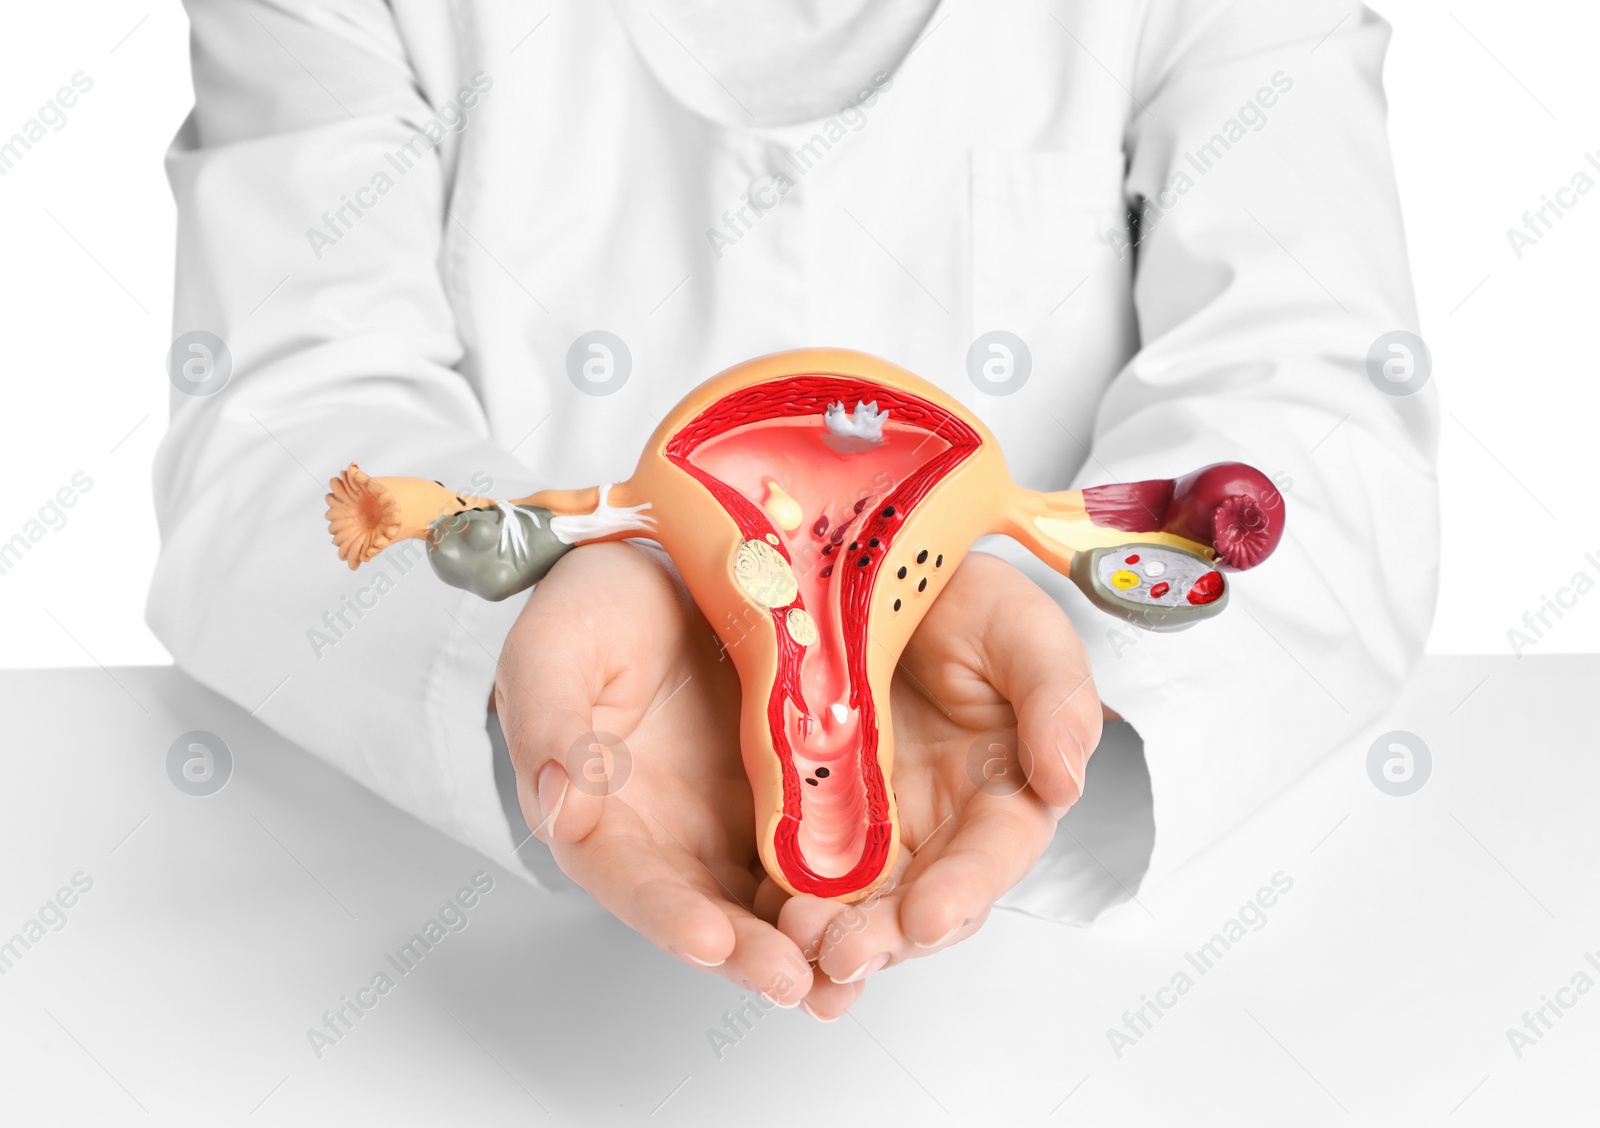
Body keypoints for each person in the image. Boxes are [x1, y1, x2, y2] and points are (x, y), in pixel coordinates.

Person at [150, 0, 1437, 1021]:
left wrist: (1062, 704)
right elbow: (284, 426)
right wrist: (526, 647)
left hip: (1078, 1002)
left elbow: (1316, 410)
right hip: (452, 981)